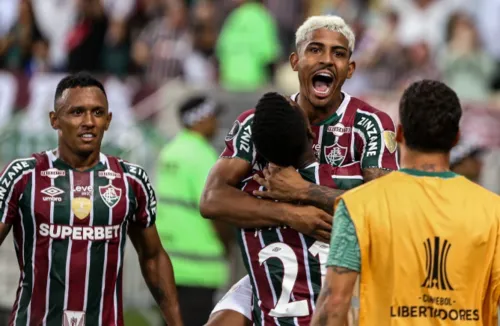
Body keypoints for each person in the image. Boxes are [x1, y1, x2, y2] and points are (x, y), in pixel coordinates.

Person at [201, 15, 398, 325]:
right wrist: (290, 215)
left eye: (339, 53)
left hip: (339, 276)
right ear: (295, 61)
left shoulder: (368, 124)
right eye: (316, 50)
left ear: (350, 69)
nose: (327, 60)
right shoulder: (262, 122)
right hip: (274, 273)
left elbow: (386, 212)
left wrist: (304, 191)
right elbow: (212, 199)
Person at [311, 79, 500, 326]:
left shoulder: (359, 206)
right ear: (456, 138)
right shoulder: (492, 211)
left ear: (399, 133)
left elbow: (334, 303)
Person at [0, 72, 183, 326]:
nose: (89, 121)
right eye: (77, 112)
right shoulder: (23, 175)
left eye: (97, 113)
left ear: (108, 121)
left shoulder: (131, 179)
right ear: (54, 120)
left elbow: (152, 257)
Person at [208, 92, 363, 326]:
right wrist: (294, 211)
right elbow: (384, 208)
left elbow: (213, 199)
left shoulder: (248, 192)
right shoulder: (347, 184)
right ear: (310, 132)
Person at [155, 95, 232, 326]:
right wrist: (227, 242)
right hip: (199, 267)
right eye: (213, 117)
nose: (216, 123)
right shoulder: (201, 155)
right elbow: (215, 208)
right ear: (201, 119)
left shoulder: (170, 151)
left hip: (169, 264)